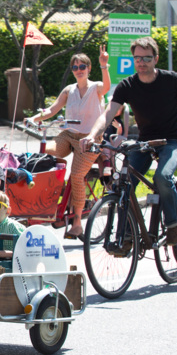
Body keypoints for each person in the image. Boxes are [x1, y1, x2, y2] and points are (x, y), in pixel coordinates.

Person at [81, 36, 177, 245]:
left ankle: (174, 224)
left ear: (156, 59)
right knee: (124, 183)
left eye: (146, 58)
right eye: (137, 58)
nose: (142, 62)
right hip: (144, 141)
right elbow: (108, 114)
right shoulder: (128, 85)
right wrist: (92, 135)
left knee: (162, 178)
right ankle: (127, 235)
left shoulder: (171, 80)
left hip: (170, 140)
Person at [27, 47, 111, 237]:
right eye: (75, 67)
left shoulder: (96, 87)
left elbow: (106, 87)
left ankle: (78, 222)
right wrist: (34, 119)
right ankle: (58, 194)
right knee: (41, 156)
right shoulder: (69, 90)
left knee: (77, 175)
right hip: (68, 135)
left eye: (82, 66)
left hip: (90, 139)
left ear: (89, 68)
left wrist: (104, 66)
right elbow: (52, 109)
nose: (79, 70)